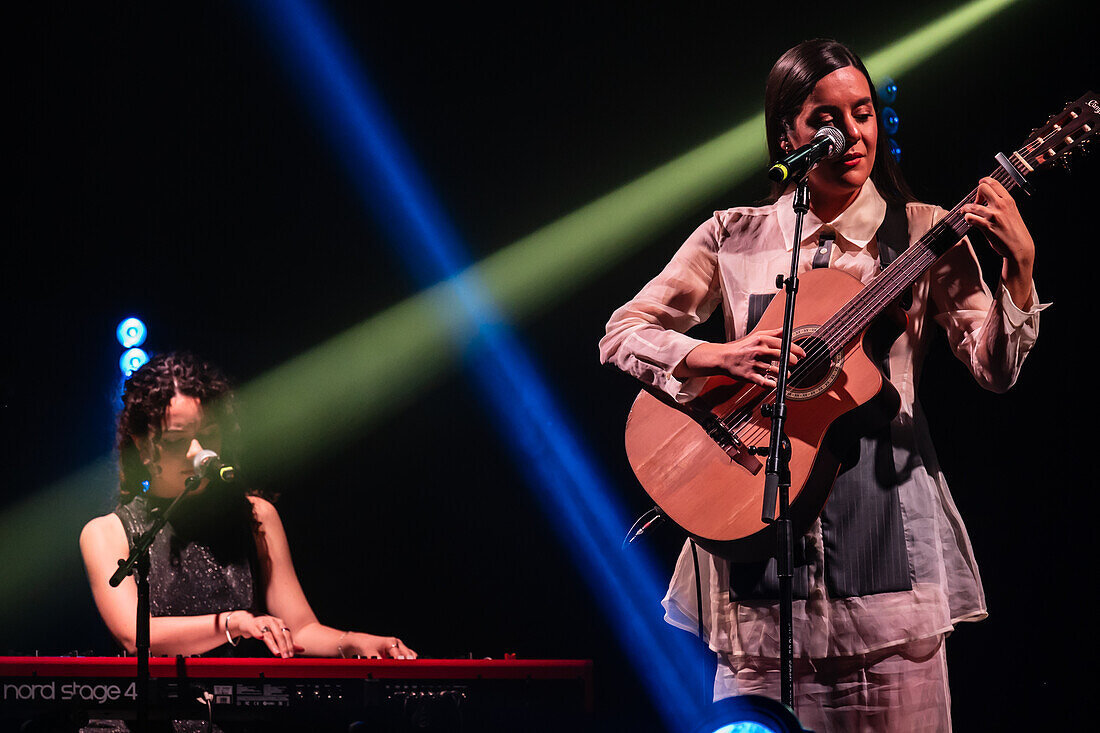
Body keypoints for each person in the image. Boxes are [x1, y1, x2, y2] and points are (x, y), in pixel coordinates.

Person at [599, 39, 1045, 731]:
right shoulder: (732, 237)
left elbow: (995, 370)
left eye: (862, 113)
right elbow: (622, 332)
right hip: (756, 583)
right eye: (826, 120)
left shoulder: (925, 233)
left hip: (888, 578)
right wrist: (716, 355)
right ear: (789, 134)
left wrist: (1019, 270)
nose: (851, 134)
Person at [80, 351, 416, 660]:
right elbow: (133, 634)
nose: (198, 452)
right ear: (141, 444)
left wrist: (352, 643)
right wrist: (232, 624)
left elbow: (299, 629)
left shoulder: (256, 515)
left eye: (209, 435)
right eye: (176, 441)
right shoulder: (106, 533)